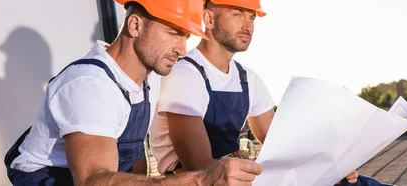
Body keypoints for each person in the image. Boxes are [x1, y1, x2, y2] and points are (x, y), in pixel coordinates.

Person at [3, 0, 262, 185]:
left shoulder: (150, 79)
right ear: (135, 25)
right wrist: (200, 180)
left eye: (186, 37)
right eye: (173, 33)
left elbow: (133, 162)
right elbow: (94, 180)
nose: (182, 50)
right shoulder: (90, 84)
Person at [148, 0, 364, 184]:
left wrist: (329, 165)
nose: (247, 26)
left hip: (238, 179)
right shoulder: (185, 75)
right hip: (196, 182)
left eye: (252, 18)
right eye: (237, 14)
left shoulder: (247, 79)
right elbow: (204, 171)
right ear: (209, 19)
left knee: (354, 183)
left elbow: (280, 142)